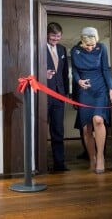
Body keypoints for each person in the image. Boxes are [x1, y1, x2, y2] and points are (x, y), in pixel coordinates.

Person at [71, 27, 112, 174]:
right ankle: (92, 158)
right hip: (84, 91)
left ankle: (101, 157)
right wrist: (78, 81)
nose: (90, 48)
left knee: (98, 120)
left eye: (93, 45)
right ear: (82, 42)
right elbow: (75, 71)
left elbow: (105, 69)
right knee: (86, 128)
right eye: (87, 45)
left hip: (100, 89)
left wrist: (111, 88)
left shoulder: (101, 48)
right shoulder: (74, 50)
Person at [47, 22, 69, 172]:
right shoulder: (38, 47)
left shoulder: (62, 49)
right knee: (41, 129)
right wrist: (43, 75)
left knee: (58, 130)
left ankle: (59, 164)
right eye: (53, 36)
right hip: (43, 94)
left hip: (59, 95)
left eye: (58, 36)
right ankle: (39, 163)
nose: (56, 39)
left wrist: (66, 93)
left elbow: (65, 73)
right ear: (47, 34)